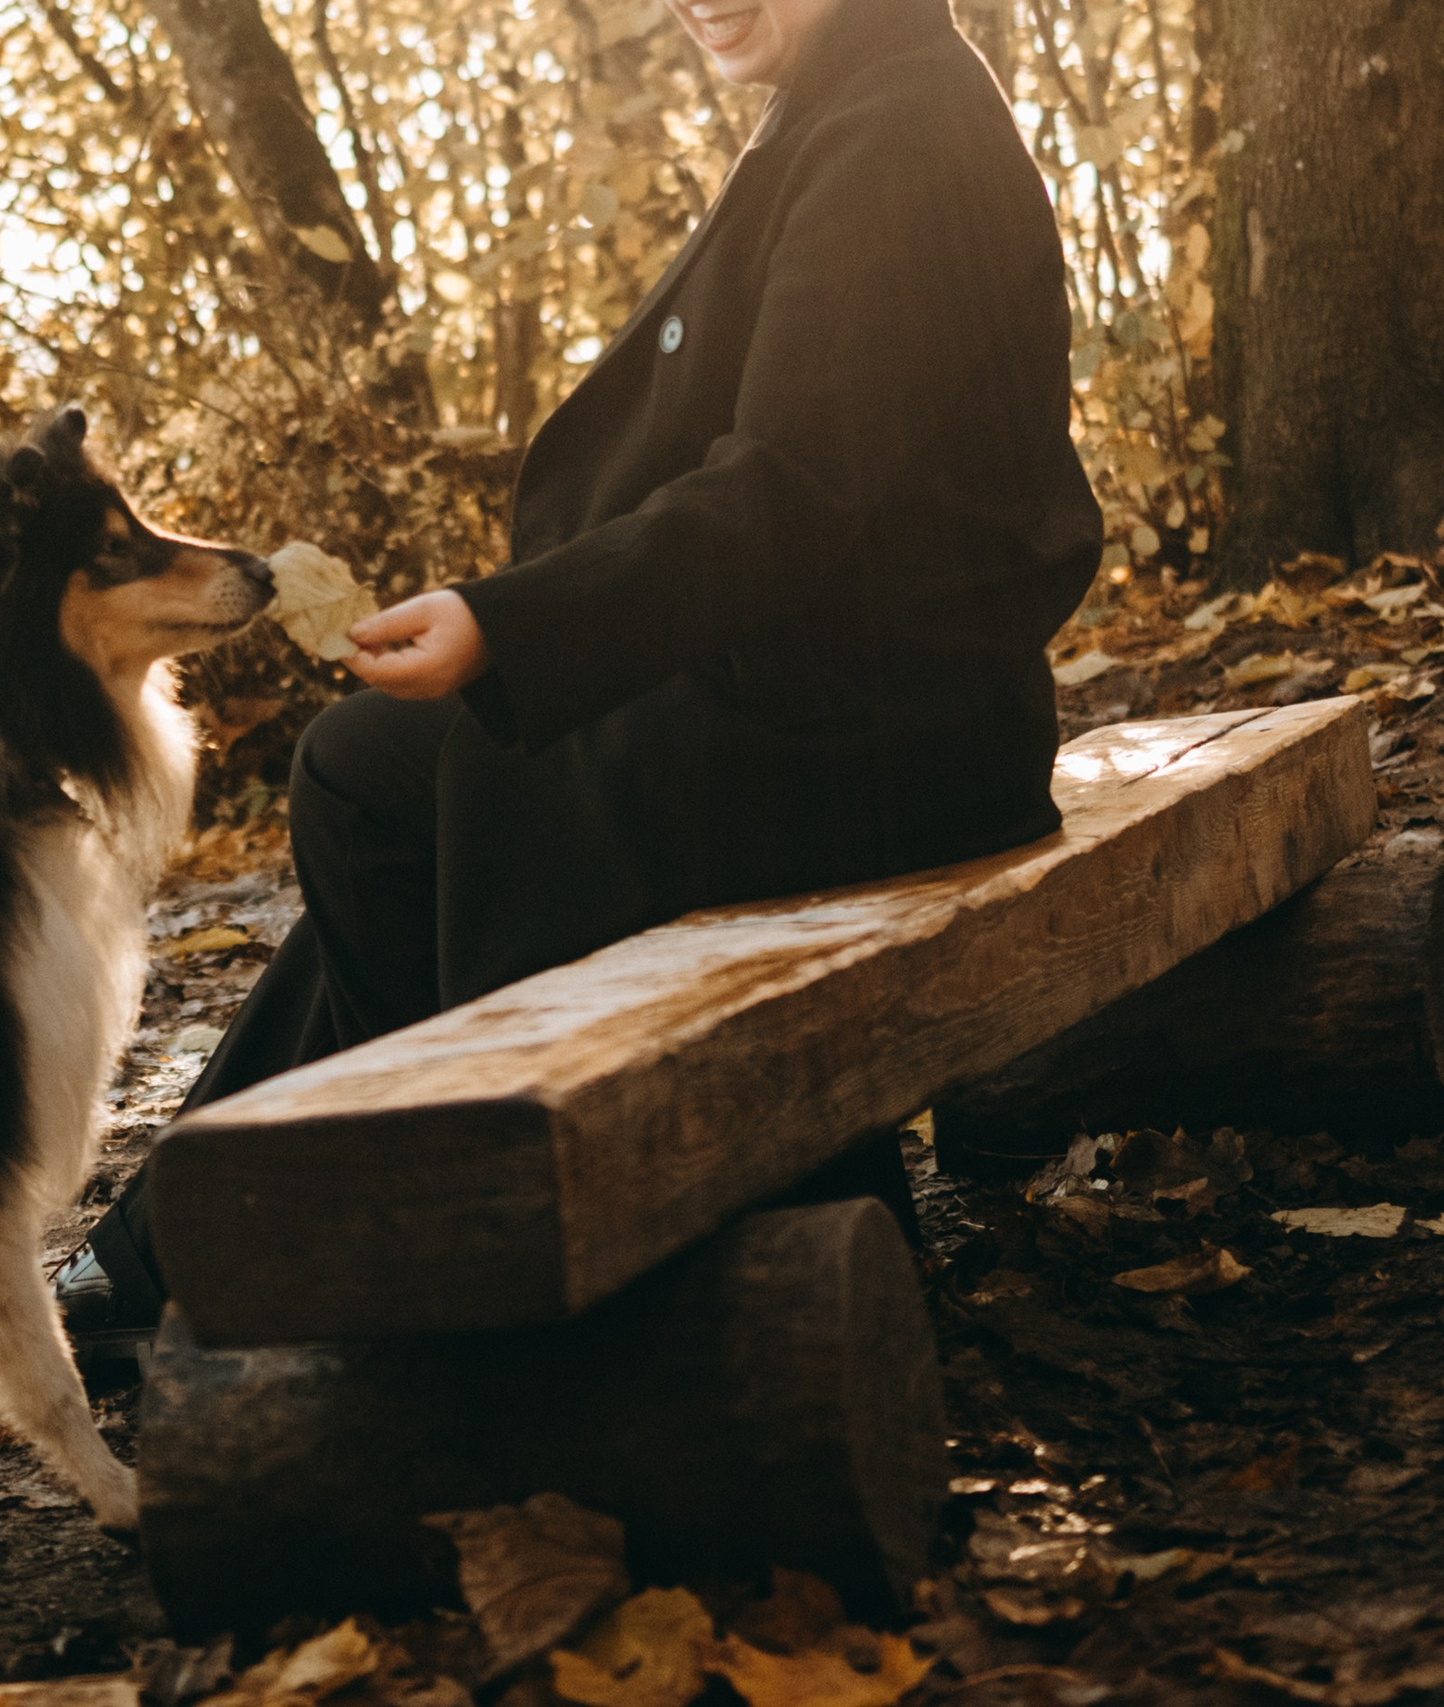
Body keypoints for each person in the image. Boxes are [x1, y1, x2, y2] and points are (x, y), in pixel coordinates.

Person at [57, 0, 1103, 1362]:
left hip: (881, 741)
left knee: (379, 782)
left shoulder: (897, 127)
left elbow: (785, 491)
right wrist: (524, 618)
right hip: (839, 699)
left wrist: (508, 628)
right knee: (410, 800)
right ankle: (193, 1237)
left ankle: (415, 1244)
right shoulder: (866, 92)